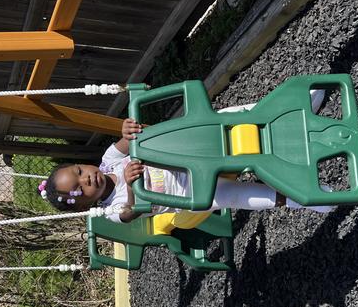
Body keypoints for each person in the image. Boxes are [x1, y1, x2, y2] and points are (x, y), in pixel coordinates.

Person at [39, 90, 332, 223]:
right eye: (82, 188)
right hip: (191, 190)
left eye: (79, 170)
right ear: (89, 202)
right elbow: (130, 213)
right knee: (233, 197)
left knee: (226, 119)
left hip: (187, 152)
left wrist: (127, 131)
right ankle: (300, 197)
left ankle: (287, 111)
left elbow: (126, 142)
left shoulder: (108, 160)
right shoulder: (112, 210)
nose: (88, 177)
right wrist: (129, 187)